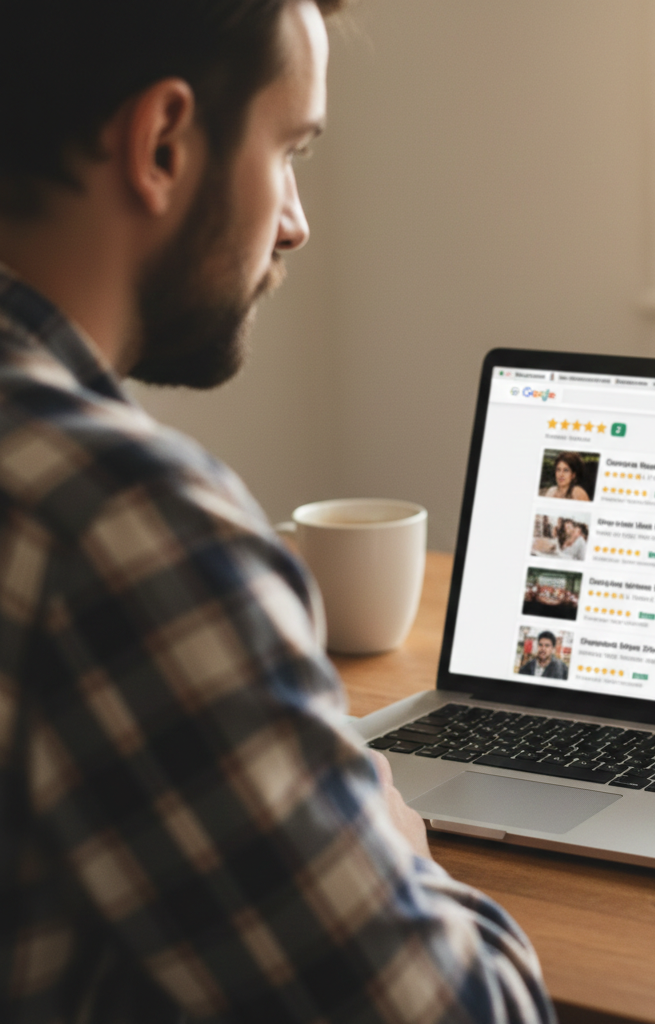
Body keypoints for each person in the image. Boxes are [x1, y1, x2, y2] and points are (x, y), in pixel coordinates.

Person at [0, 3, 554, 1022]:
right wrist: (393, 844)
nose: (295, 220)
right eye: (289, 150)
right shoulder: (123, 526)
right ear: (163, 144)